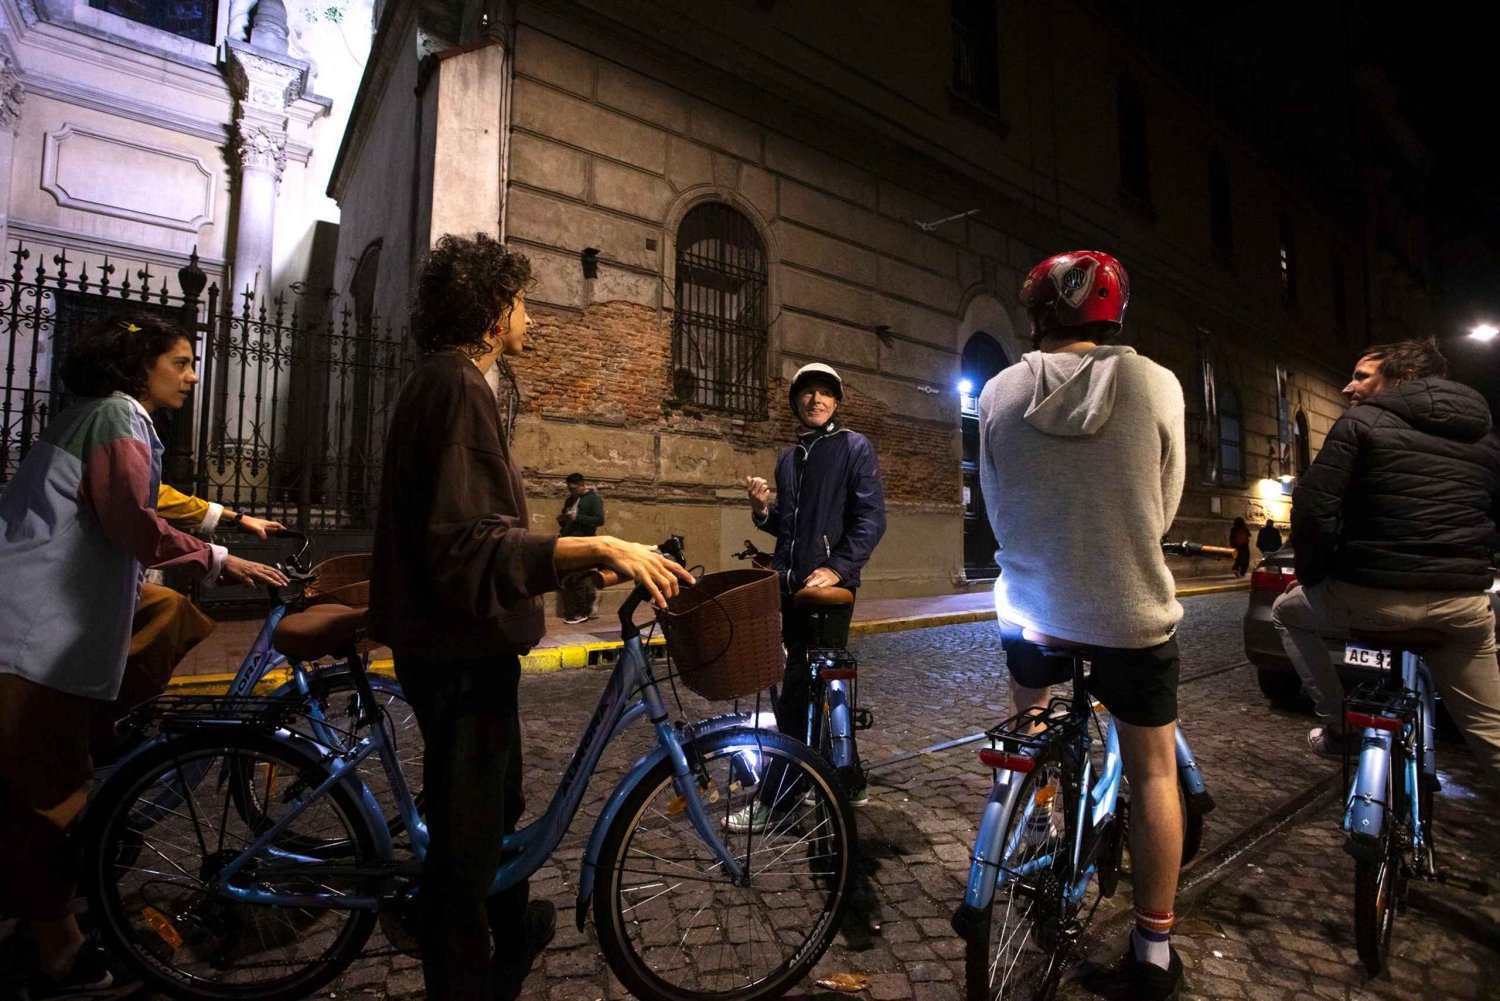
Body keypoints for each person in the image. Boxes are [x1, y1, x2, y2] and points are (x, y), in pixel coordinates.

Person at [369, 233, 692, 1001]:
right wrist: (586, 546)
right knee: (466, 844)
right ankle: (464, 979)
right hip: (457, 650)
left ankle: (511, 935)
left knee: (497, 803)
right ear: (489, 314)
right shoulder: (455, 388)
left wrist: (586, 553)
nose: (530, 320)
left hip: (456, 642)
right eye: (519, 304)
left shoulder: (449, 382)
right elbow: (468, 544)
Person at [0, 312, 285, 1000]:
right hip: (34, 633)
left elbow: (146, 494)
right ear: (141, 365)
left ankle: (107, 729)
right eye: (182, 362)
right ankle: (60, 956)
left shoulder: (100, 416)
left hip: (37, 621)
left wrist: (226, 520)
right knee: (48, 797)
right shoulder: (121, 416)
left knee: (167, 612)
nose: (192, 375)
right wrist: (223, 558)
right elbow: (131, 517)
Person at [978, 250, 1188, 998]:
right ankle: (1155, 951)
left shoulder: (1001, 391)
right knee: (1153, 769)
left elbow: (994, 504)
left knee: (1028, 718)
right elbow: (1163, 504)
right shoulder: (1156, 383)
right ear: (1113, 312)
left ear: (1036, 314)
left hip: (1033, 610)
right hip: (1129, 610)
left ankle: (1028, 823)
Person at [1271, 338, 1500, 767]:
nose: (1347, 388)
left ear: (1404, 379)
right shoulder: (1487, 439)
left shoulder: (1362, 423)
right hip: (1461, 607)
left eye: (1362, 376)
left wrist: (1316, 574)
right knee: (1494, 736)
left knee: (1287, 611)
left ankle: (1339, 724)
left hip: (1369, 596)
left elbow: (1313, 510)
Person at [741, 361, 886, 813]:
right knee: (821, 687)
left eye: (825, 393)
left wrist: (838, 567)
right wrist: (763, 512)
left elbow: (870, 519)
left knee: (798, 690)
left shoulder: (854, 447)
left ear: (837, 401)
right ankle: (848, 776)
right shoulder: (790, 456)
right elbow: (791, 529)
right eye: (807, 393)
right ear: (796, 402)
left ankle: (779, 795)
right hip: (789, 586)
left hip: (828, 590)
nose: (815, 400)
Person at [555, 472, 604, 624]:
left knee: (578, 577)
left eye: (574, 489)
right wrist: (563, 521)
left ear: (583, 485)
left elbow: (599, 520)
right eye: (569, 489)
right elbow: (567, 517)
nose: (572, 491)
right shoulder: (570, 500)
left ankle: (582, 613)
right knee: (570, 576)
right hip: (569, 541)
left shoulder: (593, 500)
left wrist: (579, 518)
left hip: (584, 542)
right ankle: (587, 602)